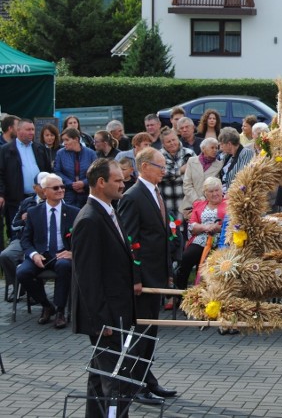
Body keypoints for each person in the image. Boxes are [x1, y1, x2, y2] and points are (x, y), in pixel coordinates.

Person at [71, 158, 137, 418]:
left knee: (100, 380)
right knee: (116, 382)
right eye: (118, 180)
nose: (124, 184)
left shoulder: (110, 210)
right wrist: (100, 321)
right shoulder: (89, 219)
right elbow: (87, 277)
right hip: (106, 318)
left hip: (118, 311)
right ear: (101, 183)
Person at [117, 147, 179, 403]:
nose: (163, 171)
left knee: (150, 332)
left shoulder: (154, 192)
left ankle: (146, 379)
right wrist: (136, 277)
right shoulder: (133, 196)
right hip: (143, 279)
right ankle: (134, 385)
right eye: (160, 167)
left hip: (157, 274)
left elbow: (161, 233)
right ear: (144, 167)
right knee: (140, 333)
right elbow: (130, 241)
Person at [16, 172, 79, 329]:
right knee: (22, 272)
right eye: (56, 187)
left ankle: (60, 311)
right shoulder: (34, 212)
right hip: (41, 255)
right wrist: (33, 254)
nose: (60, 190)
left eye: (63, 187)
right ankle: (46, 305)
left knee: (64, 267)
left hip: (61, 254)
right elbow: (25, 239)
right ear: (44, 191)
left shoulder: (74, 212)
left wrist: (72, 253)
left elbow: (82, 239)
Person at [0, 118, 54, 231]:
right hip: (16, 198)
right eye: (28, 129)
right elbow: (1, 173)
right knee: (17, 230)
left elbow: (48, 171)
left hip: (38, 198)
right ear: (18, 130)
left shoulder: (39, 148)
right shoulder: (6, 150)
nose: (32, 133)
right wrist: (1, 194)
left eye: (33, 129)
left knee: (40, 229)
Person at [175, 176, 226, 291]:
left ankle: (211, 292)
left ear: (221, 190)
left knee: (214, 263)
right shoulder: (199, 205)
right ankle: (179, 292)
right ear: (205, 193)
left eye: (217, 190)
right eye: (210, 191)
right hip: (201, 238)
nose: (214, 194)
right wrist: (206, 227)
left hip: (221, 240)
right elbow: (192, 226)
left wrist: (219, 228)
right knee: (187, 257)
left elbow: (233, 223)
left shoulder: (229, 204)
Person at [54, 128, 98, 207]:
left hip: (88, 193)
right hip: (68, 193)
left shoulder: (91, 153)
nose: (64, 143)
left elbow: (96, 172)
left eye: (67, 140)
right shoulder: (60, 153)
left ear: (76, 139)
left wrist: (83, 183)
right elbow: (57, 172)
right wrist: (72, 184)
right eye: (63, 140)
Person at [181, 137, 223, 216]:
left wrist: (203, 201)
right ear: (203, 149)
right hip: (190, 205)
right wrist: (196, 201)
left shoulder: (219, 165)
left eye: (216, 148)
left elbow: (217, 186)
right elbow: (187, 184)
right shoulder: (191, 161)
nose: (215, 150)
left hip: (209, 207)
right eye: (212, 147)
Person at [159, 128, 194, 221]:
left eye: (174, 140)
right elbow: (163, 175)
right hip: (168, 203)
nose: (172, 143)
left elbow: (196, 174)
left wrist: (173, 173)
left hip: (188, 203)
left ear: (178, 139)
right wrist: (181, 170)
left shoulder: (189, 153)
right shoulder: (158, 156)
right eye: (168, 141)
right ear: (163, 144)